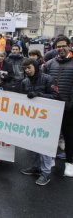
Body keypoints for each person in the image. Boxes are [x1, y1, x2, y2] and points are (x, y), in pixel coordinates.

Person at [20, 58, 58, 186]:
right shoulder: (25, 81)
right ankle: (36, 167)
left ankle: (45, 173)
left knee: (45, 147)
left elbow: (56, 96)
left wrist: (38, 95)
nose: (27, 70)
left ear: (35, 66)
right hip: (31, 118)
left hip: (47, 119)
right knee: (32, 145)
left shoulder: (48, 79)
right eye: (25, 68)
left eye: (29, 67)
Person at [43, 35, 73, 177]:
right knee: (51, 135)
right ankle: (51, 158)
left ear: (69, 45)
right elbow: (43, 82)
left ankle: (69, 163)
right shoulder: (49, 64)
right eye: (58, 46)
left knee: (69, 136)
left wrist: (70, 104)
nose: (61, 48)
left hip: (69, 108)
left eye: (63, 45)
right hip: (52, 106)